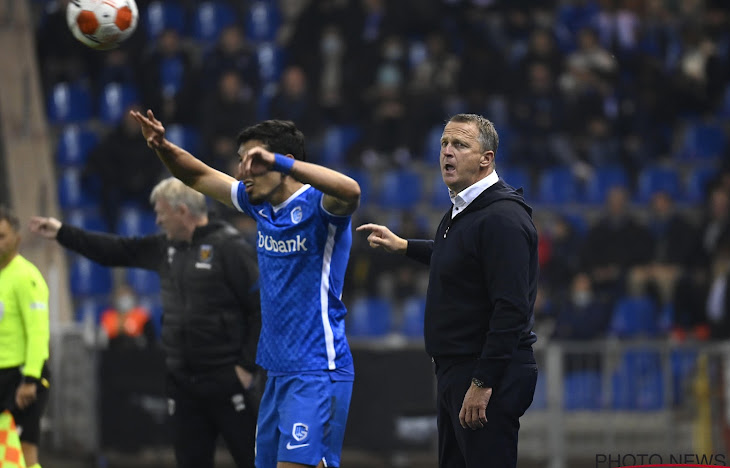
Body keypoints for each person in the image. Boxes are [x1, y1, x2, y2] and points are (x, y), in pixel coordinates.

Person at [129, 109, 361, 468]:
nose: (243, 173)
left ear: (284, 163)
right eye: (242, 162)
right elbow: (197, 174)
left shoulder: (319, 206)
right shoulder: (261, 206)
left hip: (317, 369)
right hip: (277, 373)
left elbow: (351, 190)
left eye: (253, 162)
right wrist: (162, 146)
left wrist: (279, 162)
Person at [29, 178, 261, 468]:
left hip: (227, 379)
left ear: (181, 211)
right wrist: (63, 232)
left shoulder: (229, 247)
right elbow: (115, 250)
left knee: (253, 460)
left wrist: (246, 366)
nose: (157, 220)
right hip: (184, 383)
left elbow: (259, 309)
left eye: (161, 212)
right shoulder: (165, 248)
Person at [357, 113, 538, 468]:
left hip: (484, 374)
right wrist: (405, 246)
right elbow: (457, 253)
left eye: (459, 145)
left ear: (486, 158)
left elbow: (511, 309)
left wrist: (483, 381)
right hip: (458, 371)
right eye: (443, 144)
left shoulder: (502, 219)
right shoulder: (466, 211)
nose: (447, 153)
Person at [0, 205, 50, 468]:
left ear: (16, 239)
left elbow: (38, 331)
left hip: (22, 377)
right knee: (4, 455)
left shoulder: (26, 277)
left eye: (1, 236)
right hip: (1, 374)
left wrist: (31, 378)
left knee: (25, 454)